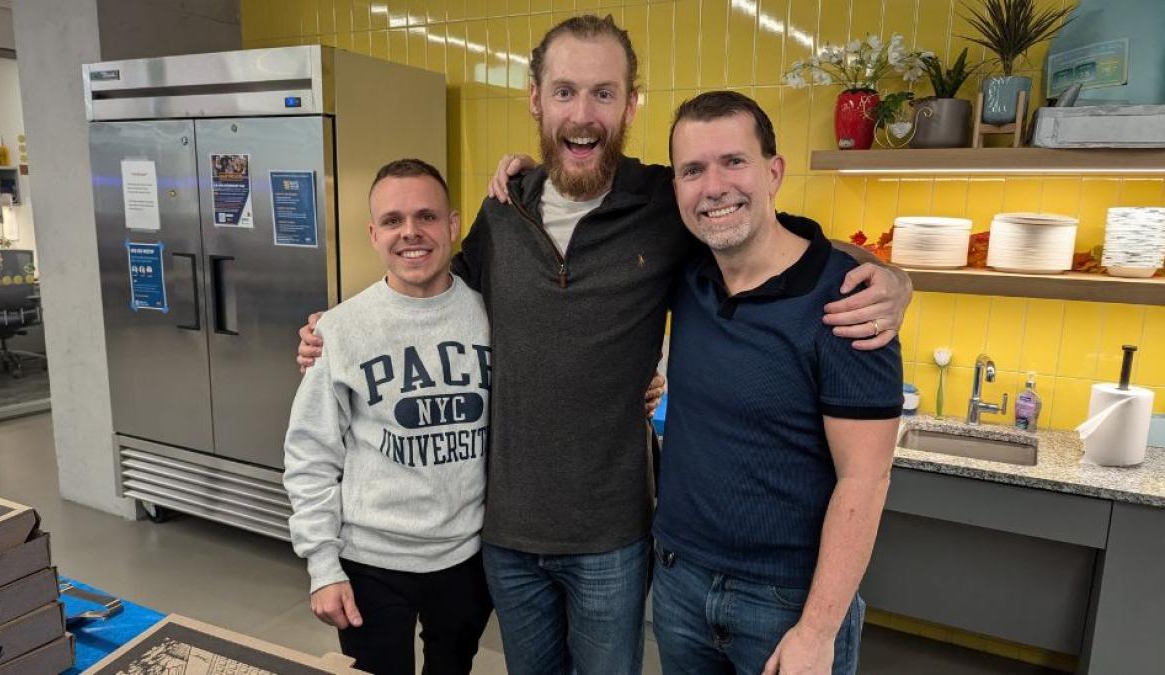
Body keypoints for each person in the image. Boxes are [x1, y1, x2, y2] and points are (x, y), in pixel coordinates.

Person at [298, 15, 911, 674]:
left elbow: (756, 231)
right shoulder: (503, 213)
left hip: (613, 540)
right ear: (535, 100)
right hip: (506, 535)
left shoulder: (663, 202)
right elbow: (429, 290)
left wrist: (895, 278)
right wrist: (334, 331)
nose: (582, 114)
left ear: (629, 105)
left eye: (603, 93)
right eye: (564, 92)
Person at [651, 91, 902, 675]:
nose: (714, 186)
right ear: (677, 190)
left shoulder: (848, 301)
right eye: (692, 170)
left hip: (786, 601)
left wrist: (817, 631)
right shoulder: (689, 274)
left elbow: (865, 479)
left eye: (734, 161)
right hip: (678, 581)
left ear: (774, 171)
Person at [283, 159, 493, 675]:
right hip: (371, 560)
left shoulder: (494, 316)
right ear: (374, 234)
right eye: (394, 221)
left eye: (426, 216)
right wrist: (322, 565)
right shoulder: (341, 329)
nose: (411, 233)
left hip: (466, 556)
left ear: (453, 225)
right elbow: (310, 455)